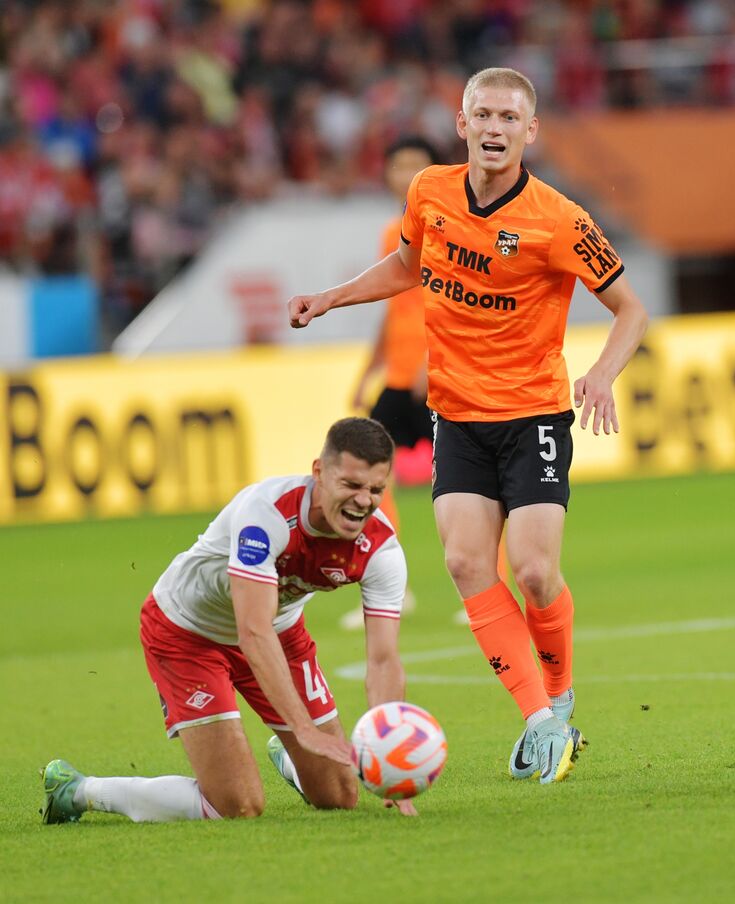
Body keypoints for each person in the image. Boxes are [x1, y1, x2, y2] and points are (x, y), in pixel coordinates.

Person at [287, 68, 648, 785]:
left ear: (530, 132)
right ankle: (542, 722)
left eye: (508, 118)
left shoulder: (560, 219)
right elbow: (407, 264)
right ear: (461, 124)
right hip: (458, 416)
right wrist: (333, 298)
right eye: (481, 114)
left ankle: (561, 694)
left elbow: (631, 310)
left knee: (538, 573)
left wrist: (602, 373)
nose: (493, 128)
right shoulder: (428, 193)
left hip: (534, 414)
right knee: (463, 564)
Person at [41, 418, 416, 823]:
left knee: (340, 795)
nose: (364, 501)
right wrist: (304, 730)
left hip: (281, 634)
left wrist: (388, 754)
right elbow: (251, 631)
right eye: (352, 485)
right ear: (319, 473)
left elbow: (382, 660)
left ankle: (289, 756)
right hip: (187, 633)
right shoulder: (267, 514)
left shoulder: (380, 548)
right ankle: (77, 790)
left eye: (376, 490)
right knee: (237, 806)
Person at [341, 135, 438, 631]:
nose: (405, 174)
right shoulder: (392, 233)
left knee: (475, 486)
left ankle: (492, 589)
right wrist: (368, 371)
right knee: (367, 474)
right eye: (398, 165)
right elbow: (395, 305)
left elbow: (449, 300)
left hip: (439, 375)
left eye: (415, 165)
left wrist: (432, 359)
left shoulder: (446, 228)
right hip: (399, 378)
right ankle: (391, 587)